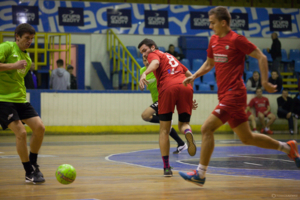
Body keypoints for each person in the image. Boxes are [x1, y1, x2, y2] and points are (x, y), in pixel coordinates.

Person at [178, 6, 300, 187]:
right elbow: (210, 63)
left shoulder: (236, 40)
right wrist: (195, 75)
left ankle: (200, 173)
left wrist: (265, 82)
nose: (210, 26)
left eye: (212, 23)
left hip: (234, 94)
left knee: (206, 129)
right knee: (247, 138)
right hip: (225, 95)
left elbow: (261, 57)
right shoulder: (213, 40)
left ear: (223, 22)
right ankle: (287, 147)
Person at [138, 38, 197, 177]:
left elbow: (155, 62)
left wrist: (144, 73)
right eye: (141, 53)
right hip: (185, 87)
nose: (144, 55)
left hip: (168, 89)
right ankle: (188, 132)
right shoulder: (172, 57)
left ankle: (166, 168)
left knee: (164, 130)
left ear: (152, 47)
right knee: (184, 123)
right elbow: (190, 76)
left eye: (145, 51)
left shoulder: (155, 54)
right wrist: (191, 96)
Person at [0, 23, 45, 184]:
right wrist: (13, 65)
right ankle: (28, 172)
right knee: (21, 133)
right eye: (27, 38)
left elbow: (17, 79)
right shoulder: (6, 47)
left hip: (20, 99)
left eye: (32, 39)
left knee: (40, 128)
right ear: (17, 36)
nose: (29, 42)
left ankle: (33, 163)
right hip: (3, 99)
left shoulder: (27, 57)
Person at [140, 57, 190, 155]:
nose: (146, 62)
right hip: (156, 100)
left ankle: (169, 126)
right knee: (165, 127)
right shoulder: (143, 71)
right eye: (144, 60)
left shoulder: (159, 69)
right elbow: (142, 87)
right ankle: (181, 144)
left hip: (164, 98)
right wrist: (141, 83)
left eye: (147, 60)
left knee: (145, 115)